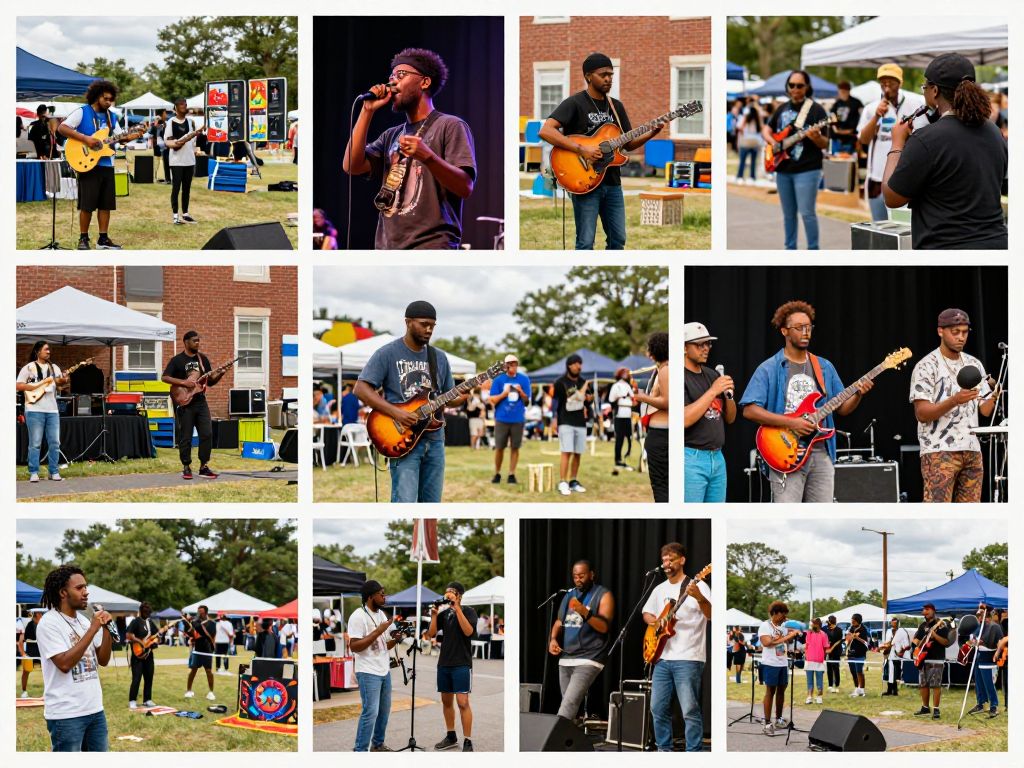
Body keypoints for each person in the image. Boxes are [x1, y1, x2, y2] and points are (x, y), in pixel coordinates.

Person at [739, 300, 872, 502]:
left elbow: (843, 409)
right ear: (784, 331)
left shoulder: (824, 367)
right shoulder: (769, 368)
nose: (806, 332)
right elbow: (749, 410)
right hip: (785, 451)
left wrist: (859, 394)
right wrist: (792, 423)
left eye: (809, 327)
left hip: (821, 453)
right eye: (799, 327)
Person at [343, 48, 476, 249]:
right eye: (391, 76)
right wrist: (367, 111)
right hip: (387, 246)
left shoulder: (450, 126)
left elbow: (465, 187)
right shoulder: (391, 134)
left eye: (401, 75)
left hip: (432, 245)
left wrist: (428, 157)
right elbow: (352, 166)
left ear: (424, 82)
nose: (392, 82)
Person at [539, 52, 663, 249]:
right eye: (603, 74)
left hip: (612, 183)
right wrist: (582, 150)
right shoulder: (575, 103)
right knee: (586, 242)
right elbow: (546, 130)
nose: (608, 79)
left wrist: (651, 133)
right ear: (588, 76)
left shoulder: (616, 107)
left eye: (611, 75)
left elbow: (627, 144)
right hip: (584, 180)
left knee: (618, 240)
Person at [883, 54, 1008, 249]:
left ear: (934, 91)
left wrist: (897, 144)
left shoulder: (926, 139)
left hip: (946, 253)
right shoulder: (994, 132)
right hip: (996, 249)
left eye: (925, 87)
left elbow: (891, 197)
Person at [356, 301, 476, 502]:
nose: (429, 329)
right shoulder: (388, 353)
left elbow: (446, 398)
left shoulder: (439, 357)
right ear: (408, 322)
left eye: (432, 325)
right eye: (423, 324)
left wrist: (463, 396)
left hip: (435, 439)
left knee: (431, 504)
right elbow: (361, 388)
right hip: (402, 436)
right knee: (405, 502)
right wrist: (397, 413)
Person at [910, 308, 999, 502]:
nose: (961, 337)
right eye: (955, 332)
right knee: (938, 512)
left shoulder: (974, 364)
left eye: (965, 332)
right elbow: (922, 413)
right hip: (939, 451)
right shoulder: (926, 365)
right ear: (940, 331)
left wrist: (995, 392)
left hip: (972, 449)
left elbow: (985, 410)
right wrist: (954, 400)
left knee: (970, 513)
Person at [35, 565, 113, 751]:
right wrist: (94, 628)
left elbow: (102, 660)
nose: (86, 592)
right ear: (63, 592)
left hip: (95, 710)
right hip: (66, 714)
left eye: (85, 587)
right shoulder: (49, 623)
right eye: (79, 588)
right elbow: (64, 663)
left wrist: (106, 628)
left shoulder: (84, 621)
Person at [642, 543, 710, 752]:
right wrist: (657, 622)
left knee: (689, 710)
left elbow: (711, 614)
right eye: (664, 560)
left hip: (689, 656)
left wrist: (698, 596)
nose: (667, 563)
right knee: (657, 709)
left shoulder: (698, 585)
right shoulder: (659, 588)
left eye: (671, 559)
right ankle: (664, 751)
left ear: (682, 560)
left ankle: (693, 753)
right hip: (662, 657)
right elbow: (646, 613)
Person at [57, 80, 131, 250]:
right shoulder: (82, 112)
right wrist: (86, 139)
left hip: (106, 164)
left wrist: (132, 135)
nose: (109, 102)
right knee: (87, 205)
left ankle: (103, 239)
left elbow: (120, 137)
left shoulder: (111, 117)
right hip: (87, 165)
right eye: (106, 99)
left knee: (106, 204)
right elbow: (62, 128)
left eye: (111, 99)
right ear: (97, 97)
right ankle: (83, 239)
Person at [763, 70, 829, 250]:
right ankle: (790, 250)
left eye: (799, 85)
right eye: (791, 85)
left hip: (807, 170)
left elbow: (825, 143)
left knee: (807, 213)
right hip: (783, 169)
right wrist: (773, 143)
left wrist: (815, 137)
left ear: (807, 87)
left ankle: (813, 250)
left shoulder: (816, 110)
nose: (795, 89)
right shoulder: (782, 109)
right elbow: (767, 129)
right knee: (788, 215)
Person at [856, 64, 928, 222]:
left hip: (907, 177)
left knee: (905, 228)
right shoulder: (871, 108)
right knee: (880, 229)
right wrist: (876, 117)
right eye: (883, 83)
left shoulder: (917, 102)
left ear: (900, 82)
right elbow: (864, 140)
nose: (887, 87)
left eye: (891, 82)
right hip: (877, 179)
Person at [548, 560, 614, 722]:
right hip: (566, 657)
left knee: (569, 703)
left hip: (590, 657)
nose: (578, 579)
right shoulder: (569, 596)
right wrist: (553, 639)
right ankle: (570, 741)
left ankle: (554, 740)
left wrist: (585, 612)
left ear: (592, 574)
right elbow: (559, 622)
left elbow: (604, 627)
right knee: (569, 705)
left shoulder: (603, 595)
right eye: (575, 576)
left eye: (582, 575)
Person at [684, 322, 735, 502]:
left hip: (718, 457)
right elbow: (683, 419)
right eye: (699, 344)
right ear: (684, 347)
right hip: (691, 458)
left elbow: (730, 418)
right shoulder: (679, 376)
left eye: (708, 344)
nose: (706, 348)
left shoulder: (712, 375)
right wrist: (713, 391)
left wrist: (728, 395)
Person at [162, 330, 223, 480]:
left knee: (207, 433)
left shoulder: (203, 359)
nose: (198, 343)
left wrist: (220, 373)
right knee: (186, 436)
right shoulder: (177, 360)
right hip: (185, 403)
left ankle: (203, 466)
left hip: (200, 401)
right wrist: (184, 382)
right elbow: (165, 377)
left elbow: (210, 381)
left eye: (198, 340)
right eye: (195, 341)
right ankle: (186, 466)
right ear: (186, 342)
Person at [428, 581, 478, 752]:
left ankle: (468, 740)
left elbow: (468, 632)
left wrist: (457, 608)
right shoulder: (444, 614)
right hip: (444, 663)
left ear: (460, 595)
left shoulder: (469, 611)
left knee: (463, 702)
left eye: (452, 592)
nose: (448, 594)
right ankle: (451, 736)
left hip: (462, 663)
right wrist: (434, 615)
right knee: (446, 701)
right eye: (447, 591)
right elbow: (431, 634)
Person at [348, 580, 397, 751]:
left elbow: (385, 645)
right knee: (370, 713)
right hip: (368, 671)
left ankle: (377, 744)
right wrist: (378, 631)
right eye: (381, 594)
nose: (384, 597)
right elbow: (354, 646)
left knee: (384, 711)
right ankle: (360, 750)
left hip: (384, 670)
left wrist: (398, 637)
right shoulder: (358, 616)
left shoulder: (381, 615)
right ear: (370, 597)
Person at [17, 341, 67, 483]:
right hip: (34, 410)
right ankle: (34, 472)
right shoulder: (29, 367)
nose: (49, 352)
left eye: (49, 349)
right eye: (46, 349)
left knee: (55, 442)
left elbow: (60, 386)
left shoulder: (54, 367)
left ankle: (54, 471)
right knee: (35, 443)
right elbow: (18, 385)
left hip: (52, 410)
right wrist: (35, 387)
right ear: (37, 351)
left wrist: (64, 379)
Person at [633, 331, 669, 502]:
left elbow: (668, 402)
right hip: (660, 434)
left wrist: (642, 397)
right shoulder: (664, 369)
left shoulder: (666, 370)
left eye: (649, 348)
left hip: (662, 435)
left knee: (661, 485)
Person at [551, 354, 594, 496]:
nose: (578, 366)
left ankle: (573, 481)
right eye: (575, 363)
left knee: (577, 452)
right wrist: (554, 418)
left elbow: (588, 401)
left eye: (580, 363)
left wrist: (589, 399)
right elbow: (555, 402)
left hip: (580, 421)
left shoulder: (584, 382)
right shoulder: (560, 382)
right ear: (569, 365)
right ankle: (563, 482)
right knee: (566, 451)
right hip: (565, 421)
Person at [757, 601, 801, 737]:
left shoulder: (783, 627)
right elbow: (767, 643)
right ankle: (767, 723)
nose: (784, 617)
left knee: (782, 690)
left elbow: (792, 636)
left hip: (782, 663)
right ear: (775, 613)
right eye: (782, 614)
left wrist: (793, 631)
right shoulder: (765, 626)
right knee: (770, 691)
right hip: (770, 664)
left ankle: (779, 719)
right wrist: (787, 636)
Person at [490, 353, 531, 483]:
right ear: (505, 366)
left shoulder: (524, 379)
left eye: (515, 363)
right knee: (499, 447)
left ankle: (511, 474)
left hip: (518, 419)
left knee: (515, 447)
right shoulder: (498, 380)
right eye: (510, 364)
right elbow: (492, 400)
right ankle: (497, 473)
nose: (513, 366)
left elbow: (527, 401)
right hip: (502, 419)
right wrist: (504, 393)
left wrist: (521, 392)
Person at [910, 602, 952, 719]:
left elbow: (946, 642)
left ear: (933, 611)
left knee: (936, 685)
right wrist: (914, 648)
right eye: (924, 609)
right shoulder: (922, 625)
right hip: (923, 658)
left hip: (936, 658)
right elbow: (916, 640)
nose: (926, 611)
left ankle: (936, 709)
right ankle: (925, 707)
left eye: (928, 609)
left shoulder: (941, 624)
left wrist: (934, 635)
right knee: (923, 684)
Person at [165, 97, 201, 224]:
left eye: (185, 104)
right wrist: (178, 143)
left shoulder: (191, 122)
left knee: (187, 188)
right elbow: (167, 141)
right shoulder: (171, 122)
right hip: (176, 161)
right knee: (176, 188)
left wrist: (195, 149)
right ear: (175, 108)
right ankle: (175, 215)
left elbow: (194, 141)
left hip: (190, 160)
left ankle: (185, 213)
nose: (184, 107)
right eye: (181, 105)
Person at [967, 605, 1003, 718]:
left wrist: (996, 653)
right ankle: (981, 703)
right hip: (979, 656)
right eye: (978, 614)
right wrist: (973, 641)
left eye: (981, 613)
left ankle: (994, 706)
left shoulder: (994, 627)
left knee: (989, 683)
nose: (979, 616)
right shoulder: (979, 627)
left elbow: (999, 643)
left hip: (989, 657)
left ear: (987, 613)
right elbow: (973, 639)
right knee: (978, 682)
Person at [125, 602, 159, 709]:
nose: (147, 613)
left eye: (149, 612)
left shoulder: (150, 622)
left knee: (149, 677)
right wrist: (140, 642)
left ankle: (147, 700)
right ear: (141, 611)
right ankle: (132, 700)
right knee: (137, 678)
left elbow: (155, 635)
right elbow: (129, 635)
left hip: (148, 654)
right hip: (137, 655)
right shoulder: (136, 622)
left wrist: (156, 641)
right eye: (145, 611)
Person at [184, 605, 217, 700]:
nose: (199, 613)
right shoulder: (195, 622)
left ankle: (211, 692)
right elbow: (192, 634)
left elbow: (211, 635)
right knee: (193, 670)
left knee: (209, 671)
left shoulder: (212, 623)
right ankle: (189, 690)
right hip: (197, 650)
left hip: (207, 650)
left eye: (201, 611)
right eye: (198, 611)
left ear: (206, 612)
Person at [608, 367, 635, 469]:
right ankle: (617, 459)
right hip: (619, 413)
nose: (626, 374)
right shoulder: (616, 386)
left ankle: (625, 457)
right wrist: (621, 397)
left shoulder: (628, 385)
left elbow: (633, 397)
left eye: (627, 373)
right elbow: (611, 399)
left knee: (628, 437)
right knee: (619, 437)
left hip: (628, 413)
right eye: (624, 372)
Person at [880, 617, 912, 696]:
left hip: (898, 656)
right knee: (889, 673)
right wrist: (884, 648)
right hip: (889, 655)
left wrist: (902, 651)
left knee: (895, 674)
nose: (894, 624)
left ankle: (895, 691)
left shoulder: (902, 631)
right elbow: (887, 642)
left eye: (895, 622)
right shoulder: (889, 631)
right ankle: (889, 690)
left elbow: (907, 644)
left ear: (898, 623)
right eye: (892, 622)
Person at [829, 81, 863, 155]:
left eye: (844, 91)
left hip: (851, 138)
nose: (842, 93)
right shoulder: (836, 104)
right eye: (840, 91)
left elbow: (862, 118)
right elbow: (831, 118)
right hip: (837, 138)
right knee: (836, 160)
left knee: (849, 160)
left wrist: (853, 131)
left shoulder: (856, 103)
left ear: (848, 91)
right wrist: (836, 130)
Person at [735, 97, 763, 184]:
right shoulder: (758, 119)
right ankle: (752, 177)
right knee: (753, 161)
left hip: (746, 141)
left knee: (743, 160)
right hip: (756, 141)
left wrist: (742, 136)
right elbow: (761, 129)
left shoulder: (746, 117)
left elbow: (740, 128)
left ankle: (740, 176)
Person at [802, 618, 828, 704]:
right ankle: (809, 697)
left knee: (819, 680)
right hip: (809, 660)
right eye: (811, 624)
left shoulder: (824, 634)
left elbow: (825, 648)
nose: (811, 625)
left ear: (818, 624)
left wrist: (822, 657)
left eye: (813, 624)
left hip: (819, 661)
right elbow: (807, 645)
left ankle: (819, 697)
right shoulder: (809, 634)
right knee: (809, 680)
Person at [20, 609, 43, 698]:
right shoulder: (28, 625)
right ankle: (24, 692)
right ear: (37, 614)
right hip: (30, 653)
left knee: (46, 671)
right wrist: (23, 654)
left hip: (41, 652)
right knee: (26, 672)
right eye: (40, 613)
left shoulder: (42, 624)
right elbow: (21, 640)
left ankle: (46, 692)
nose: (42, 615)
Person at [845, 613, 869, 697]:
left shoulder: (863, 629)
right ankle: (856, 688)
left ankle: (861, 689)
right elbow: (848, 639)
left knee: (859, 671)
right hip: (851, 653)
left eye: (854, 621)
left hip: (860, 653)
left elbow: (866, 642)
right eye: (852, 621)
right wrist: (850, 637)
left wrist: (857, 637)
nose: (852, 623)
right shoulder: (851, 628)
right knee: (853, 672)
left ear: (858, 621)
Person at [824, 615, 843, 692]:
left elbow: (839, 641)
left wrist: (832, 648)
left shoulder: (839, 630)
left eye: (829, 621)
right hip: (828, 651)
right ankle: (830, 685)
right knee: (829, 668)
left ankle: (837, 685)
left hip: (836, 651)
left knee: (836, 668)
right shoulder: (826, 629)